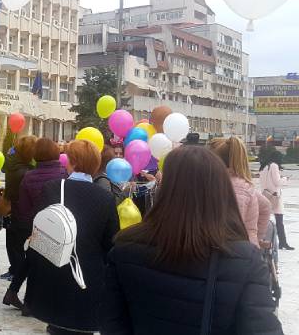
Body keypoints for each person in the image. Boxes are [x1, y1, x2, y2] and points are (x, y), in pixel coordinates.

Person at [101, 146, 283, 334]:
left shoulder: (125, 249)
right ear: (221, 191)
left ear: (165, 189)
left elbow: (113, 324)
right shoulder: (245, 260)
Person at [24, 140, 119, 334]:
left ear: (72, 162)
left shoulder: (52, 188)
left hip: (53, 273)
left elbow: (35, 227)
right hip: (86, 278)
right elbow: (111, 244)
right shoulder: (106, 198)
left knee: (56, 327)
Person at [4, 137, 67, 310]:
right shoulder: (63, 174)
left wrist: (31, 226)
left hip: (34, 224)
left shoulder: (29, 176)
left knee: (32, 259)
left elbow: (24, 206)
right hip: (57, 225)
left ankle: (15, 293)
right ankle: (31, 302)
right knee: (45, 263)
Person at [209, 137, 263, 246]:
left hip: (234, 249)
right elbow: (266, 206)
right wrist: (257, 237)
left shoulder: (229, 186)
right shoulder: (244, 185)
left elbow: (231, 228)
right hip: (246, 247)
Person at [2, 135, 37, 283]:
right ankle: (18, 273)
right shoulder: (27, 172)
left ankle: (14, 270)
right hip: (20, 211)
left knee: (12, 244)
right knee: (18, 246)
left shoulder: (12, 164)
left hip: (12, 209)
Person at [261, 158, 291, 249]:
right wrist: (285, 179)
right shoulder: (274, 166)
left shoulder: (265, 167)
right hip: (275, 196)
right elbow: (277, 182)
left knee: (265, 220)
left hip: (266, 195)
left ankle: (265, 240)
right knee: (279, 221)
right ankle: (282, 242)